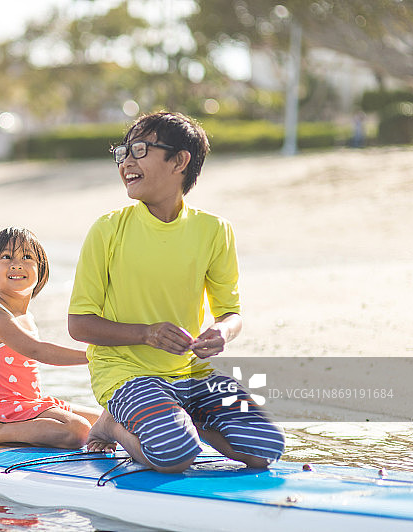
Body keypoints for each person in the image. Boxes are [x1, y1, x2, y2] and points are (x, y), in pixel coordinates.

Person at [67, 111, 285, 473]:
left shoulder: (215, 230)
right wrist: (146, 334)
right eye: (122, 152)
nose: (126, 162)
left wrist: (222, 332)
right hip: (125, 372)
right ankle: (111, 424)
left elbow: (231, 313)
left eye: (139, 150)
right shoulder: (107, 230)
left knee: (266, 449)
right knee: (175, 455)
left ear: (180, 160)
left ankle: (179, 419)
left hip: (192, 374)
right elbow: (79, 324)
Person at [0, 227, 100, 449]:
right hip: (3, 411)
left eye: (27, 257)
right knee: (78, 431)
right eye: (6, 257)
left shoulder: (25, 316)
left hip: (31, 404)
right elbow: (38, 351)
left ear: (40, 269)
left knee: (105, 420)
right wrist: (93, 355)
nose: (17, 264)